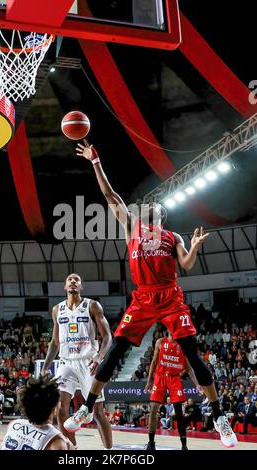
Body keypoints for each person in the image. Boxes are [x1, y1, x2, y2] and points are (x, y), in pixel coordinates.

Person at [64, 141, 237, 449]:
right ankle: (86, 408)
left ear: (163, 217)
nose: (153, 206)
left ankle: (220, 417)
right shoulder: (133, 227)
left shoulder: (173, 237)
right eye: (150, 206)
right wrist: (96, 161)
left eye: (158, 207)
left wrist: (194, 248)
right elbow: (110, 196)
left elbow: (185, 264)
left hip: (170, 296)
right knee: (115, 350)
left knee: (194, 355)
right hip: (143, 298)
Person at [42, 273, 113, 449]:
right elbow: (55, 342)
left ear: (81, 287)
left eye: (77, 280)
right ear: (65, 287)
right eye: (70, 280)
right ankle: (72, 449)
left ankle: (109, 449)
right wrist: (45, 367)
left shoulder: (92, 306)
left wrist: (99, 357)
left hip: (88, 361)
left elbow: (108, 337)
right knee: (60, 408)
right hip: (66, 362)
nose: (73, 282)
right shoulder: (57, 309)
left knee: (97, 411)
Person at [144, 332, 199, 450]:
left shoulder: (182, 345)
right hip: (160, 376)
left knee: (179, 412)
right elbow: (153, 362)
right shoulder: (160, 342)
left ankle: (184, 444)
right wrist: (149, 381)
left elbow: (189, 369)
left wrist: (197, 385)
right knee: (153, 408)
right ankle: (151, 442)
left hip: (174, 378)